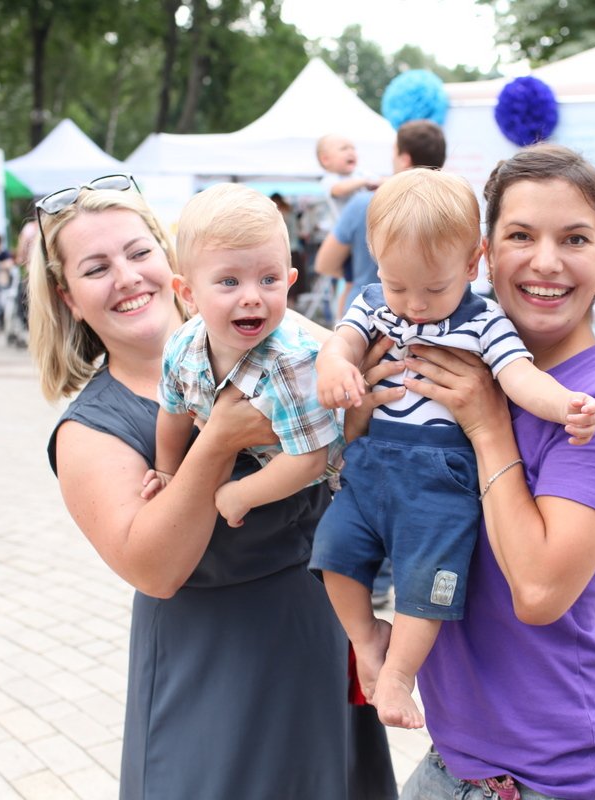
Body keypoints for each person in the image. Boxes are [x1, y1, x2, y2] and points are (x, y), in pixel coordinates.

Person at [26, 177, 396, 799]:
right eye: (96, 268)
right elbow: (155, 569)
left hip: (318, 632)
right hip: (214, 667)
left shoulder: (277, 335)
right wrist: (219, 438)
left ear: (170, 263)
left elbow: (349, 434)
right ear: (69, 298)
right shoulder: (89, 430)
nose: (126, 277)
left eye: (138, 252)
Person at [361, 143, 595, 799]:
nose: (546, 261)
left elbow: (540, 592)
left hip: (557, 777)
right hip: (458, 759)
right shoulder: (449, 360)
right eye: (521, 235)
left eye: (574, 239)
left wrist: (488, 426)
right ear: (484, 256)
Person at [311, 167, 595, 730]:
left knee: (426, 582)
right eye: (398, 286)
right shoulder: (373, 303)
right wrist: (334, 366)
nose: (414, 306)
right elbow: (340, 342)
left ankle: (398, 676)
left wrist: (565, 404)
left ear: (472, 264)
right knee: (332, 551)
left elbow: (518, 377)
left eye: (434, 289)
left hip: (439, 480)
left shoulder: (485, 321)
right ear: (376, 262)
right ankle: (366, 639)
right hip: (370, 468)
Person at [143, 184, 345, 530]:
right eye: (229, 281)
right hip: (265, 462)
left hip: (332, 480)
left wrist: (241, 495)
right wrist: (166, 471)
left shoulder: (290, 361)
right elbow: (173, 412)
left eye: (269, 279)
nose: (252, 297)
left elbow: (311, 460)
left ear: (289, 282)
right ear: (189, 294)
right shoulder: (181, 347)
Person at [315, 119, 449, 607]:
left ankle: (368, 585)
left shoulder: (366, 203)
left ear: (403, 157)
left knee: (362, 458)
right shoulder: (452, 214)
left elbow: (324, 264)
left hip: (365, 355)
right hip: (418, 381)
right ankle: (387, 585)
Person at [317, 133, 380, 223]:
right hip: (346, 227)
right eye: (344, 148)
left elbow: (383, 181)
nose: (351, 152)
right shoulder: (329, 179)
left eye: (353, 148)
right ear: (325, 159)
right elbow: (339, 189)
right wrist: (365, 182)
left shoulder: (361, 173)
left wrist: (378, 184)